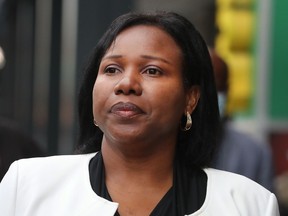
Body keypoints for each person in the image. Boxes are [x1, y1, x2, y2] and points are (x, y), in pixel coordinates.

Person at [0, 11, 279, 215]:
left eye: (152, 71)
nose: (126, 84)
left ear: (190, 99)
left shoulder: (248, 204)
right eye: (111, 69)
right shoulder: (28, 184)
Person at [209, 48, 275, 192]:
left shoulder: (255, 153)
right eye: (203, 88)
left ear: (227, 89)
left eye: (217, 88)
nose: (209, 97)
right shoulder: (166, 148)